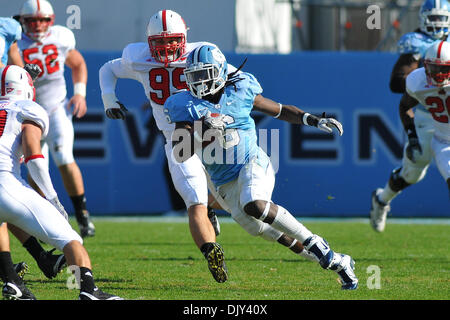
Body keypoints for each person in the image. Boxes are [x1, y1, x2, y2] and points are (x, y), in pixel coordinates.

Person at [164, 44, 358, 289]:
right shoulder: (184, 104)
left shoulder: (240, 89)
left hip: (251, 162)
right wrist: (204, 129)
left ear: (221, 72)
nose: (200, 82)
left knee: (255, 203)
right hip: (224, 183)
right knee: (271, 232)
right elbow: (181, 152)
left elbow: (278, 110)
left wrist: (312, 119)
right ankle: (337, 261)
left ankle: (318, 244)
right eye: (194, 76)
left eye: (205, 74)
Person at [99, 9, 227, 281]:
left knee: (222, 196)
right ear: (148, 42)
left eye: (172, 41)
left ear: (184, 37)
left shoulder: (201, 53)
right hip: (178, 137)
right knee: (194, 201)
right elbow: (108, 68)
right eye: (159, 42)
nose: (167, 47)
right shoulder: (139, 58)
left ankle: (213, 214)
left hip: (209, 132)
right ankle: (210, 249)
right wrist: (109, 98)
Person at [0, 65, 122, 300]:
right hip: (6, 182)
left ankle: (12, 282)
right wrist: (52, 197)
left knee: (3, 219)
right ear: (26, 88)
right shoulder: (27, 109)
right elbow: (34, 155)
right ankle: (89, 290)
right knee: (71, 239)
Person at [15, 0, 95, 238]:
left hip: (56, 109)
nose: (37, 25)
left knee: (64, 157)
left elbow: (78, 63)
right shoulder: (14, 43)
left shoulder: (61, 37)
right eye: (31, 21)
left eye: (42, 20)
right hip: (28, 114)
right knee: (35, 165)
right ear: (23, 21)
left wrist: (80, 93)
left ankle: (82, 215)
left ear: (51, 21)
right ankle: (44, 218)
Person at [370, 0, 450, 232]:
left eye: (441, 18)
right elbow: (397, 84)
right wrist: (429, 74)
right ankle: (382, 199)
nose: (436, 24)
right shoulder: (416, 47)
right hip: (427, 116)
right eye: (432, 18)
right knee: (413, 174)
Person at [1, 14, 67, 281]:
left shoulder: (8, 27)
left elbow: (16, 66)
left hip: (5, 96)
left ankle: (34, 261)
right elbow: (34, 155)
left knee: (5, 203)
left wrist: (23, 75)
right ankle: (10, 276)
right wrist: (52, 198)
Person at [400, 41, 450, 195]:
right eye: (433, 67)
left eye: (443, 68)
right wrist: (412, 136)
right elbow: (404, 106)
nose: (438, 73)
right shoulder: (417, 81)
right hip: (444, 143)